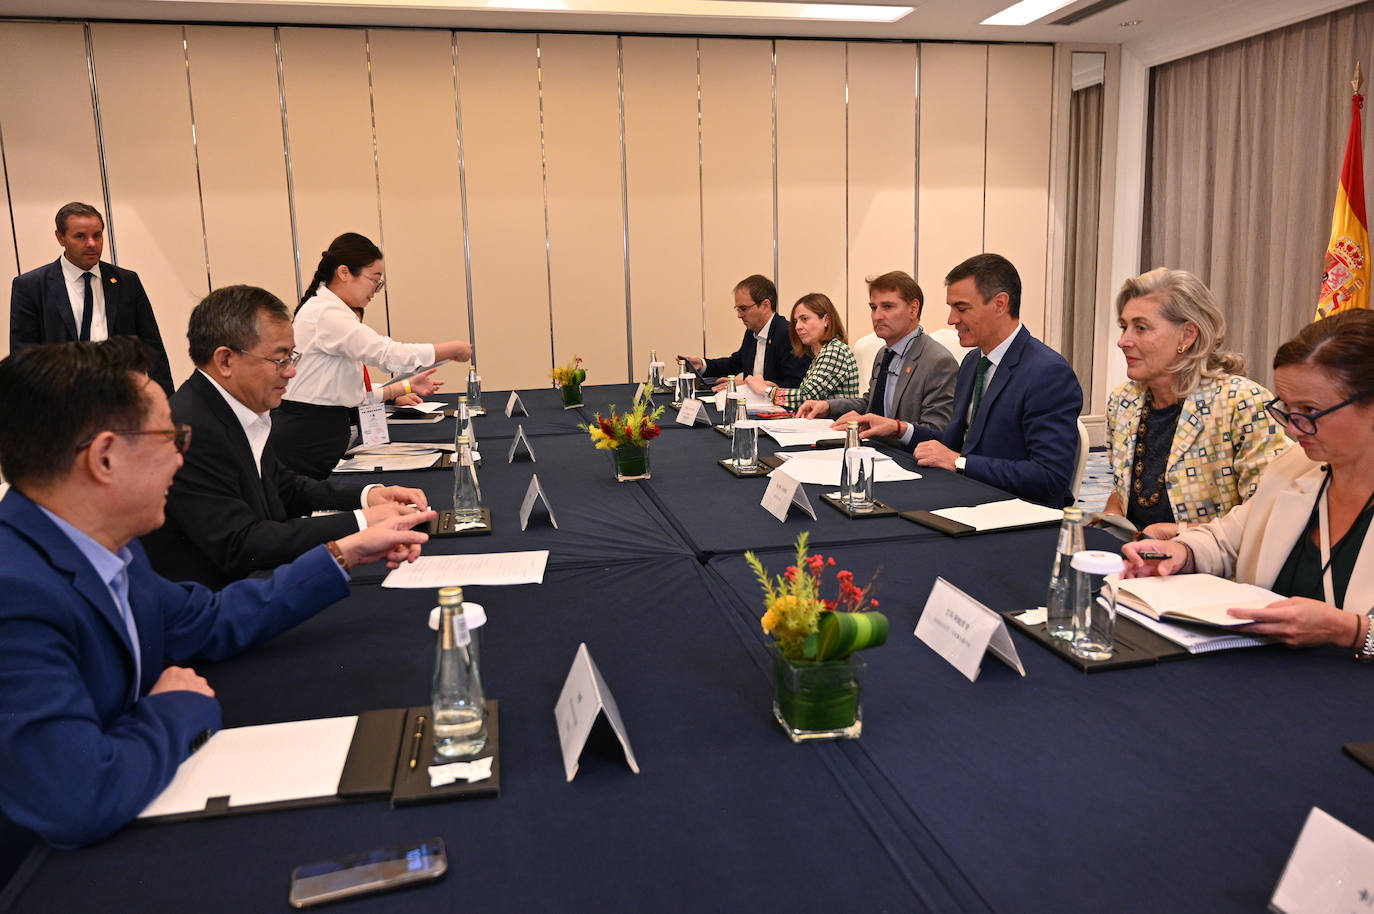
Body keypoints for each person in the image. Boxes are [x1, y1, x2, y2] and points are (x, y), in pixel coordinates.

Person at [0, 338, 434, 852]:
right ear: (105, 458)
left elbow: (203, 619)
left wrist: (344, 553)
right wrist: (178, 708)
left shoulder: (109, 543)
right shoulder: (16, 596)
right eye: (169, 437)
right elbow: (77, 797)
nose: (180, 457)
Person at [140, 285, 432, 588]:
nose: (291, 372)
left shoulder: (237, 410)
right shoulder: (190, 428)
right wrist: (362, 524)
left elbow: (284, 488)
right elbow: (241, 544)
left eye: (291, 357)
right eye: (279, 360)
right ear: (225, 360)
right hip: (219, 605)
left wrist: (367, 497)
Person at [1123, 309, 1374, 656]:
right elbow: (1228, 538)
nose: (1291, 429)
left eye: (1310, 413)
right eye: (1287, 409)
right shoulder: (1295, 468)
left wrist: (1354, 631)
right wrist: (1183, 552)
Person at [270, 232, 473, 478]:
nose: (376, 289)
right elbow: (387, 354)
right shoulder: (326, 314)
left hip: (315, 430)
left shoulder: (330, 310)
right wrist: (451, 348)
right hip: (308, 435)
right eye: (375, 279)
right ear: (344, 273)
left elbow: (350, 390)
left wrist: (403, 387)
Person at [1103, 268, 1288, 538]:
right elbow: (1127, 492)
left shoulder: (1243, 403)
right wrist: (1111, 520)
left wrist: (1179, 533)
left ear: (1187, 335)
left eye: (1140, 328)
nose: (1123, 341)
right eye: (1124, 327)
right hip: (1137, 563)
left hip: (1213, 571)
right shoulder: (1123, 401)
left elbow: (1270, 516)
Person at [912, 253, 1083, 507]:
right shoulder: (972, 363)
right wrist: (899, 430)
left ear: (1000, 304)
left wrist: (960, 463)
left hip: (1021, 515)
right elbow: (953, 443)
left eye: (962, 308)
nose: (951, 320)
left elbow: (1049, 476)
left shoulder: (1048, 373)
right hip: (970, 499)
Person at [9, 202, 173, 395]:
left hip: (121, 398)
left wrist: (168, 404)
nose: (92, 244)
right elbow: (24, 358)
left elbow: (152, 346)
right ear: (60, 237)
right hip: (62, 402)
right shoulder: (31, 286)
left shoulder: (126, 281)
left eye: (97, 235)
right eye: (80, 236)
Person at [796, 271, 957, 446]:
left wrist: (894, 428)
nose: (877, 316)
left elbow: (938, 433)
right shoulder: (884, 353)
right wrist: (828, 406)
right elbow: (870, 403)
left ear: (913, 309)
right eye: (874, 308)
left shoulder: (938, 361)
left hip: (909, 460)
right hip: (876, 451)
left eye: (888, 307)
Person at [678, 274, 810, 392]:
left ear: (765, 305)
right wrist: (702, 364)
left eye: (743, 309)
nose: (739, 315)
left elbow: (794, 386)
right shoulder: (752, 333)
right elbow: (734, 364)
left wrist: (747, 386)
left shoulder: (788, 334)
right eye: (737, 309)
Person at [743, 293, 859, 411]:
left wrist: (766, 390)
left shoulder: (835, 351)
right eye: (796, 321)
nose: (798, 326)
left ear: (826, 320)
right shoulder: (821, 353)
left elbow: (806, 396)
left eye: (804, 319)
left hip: (834, 426)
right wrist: (776, 388)